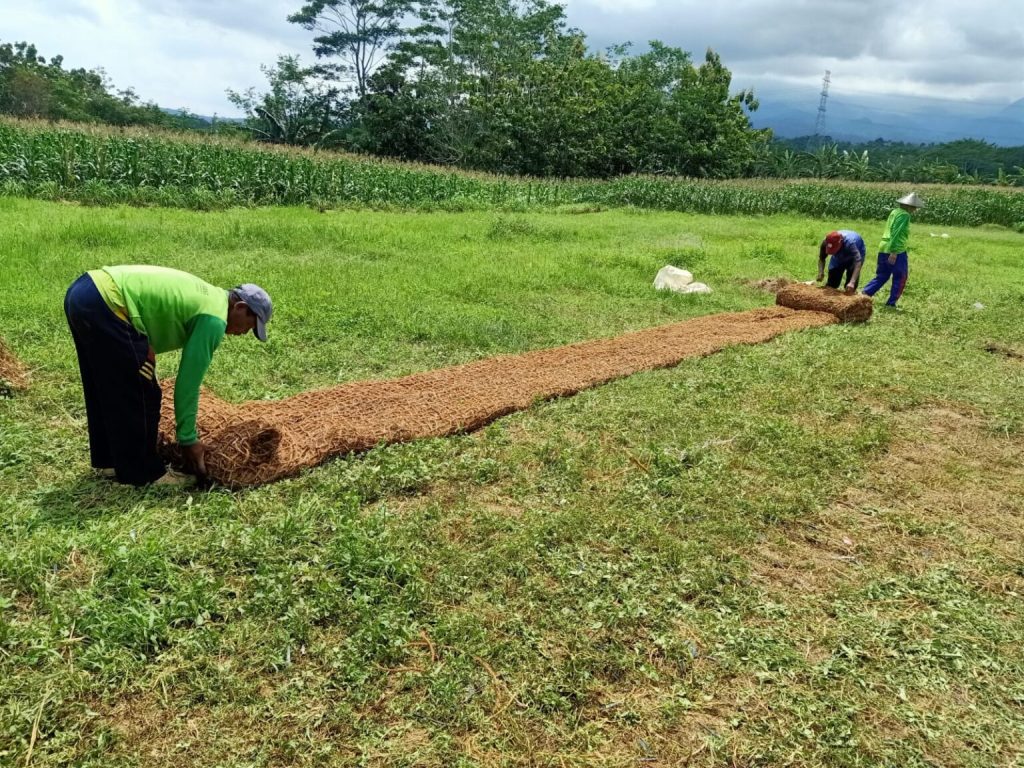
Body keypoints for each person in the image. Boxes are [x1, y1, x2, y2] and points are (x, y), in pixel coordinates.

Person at [63, 265, 273, 486]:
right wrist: (188, 440)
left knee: (107, 382)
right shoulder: (214, 319)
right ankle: (145, 473)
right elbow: (188, 383)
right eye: (250, 325)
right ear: (240, 307)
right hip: (108, 303)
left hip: (85, 291)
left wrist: (143, 347)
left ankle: (110, 460)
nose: (244, 333)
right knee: (144, 393)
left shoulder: (211, 296)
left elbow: (153, 310)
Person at [862, 192, 924, 308]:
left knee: (882, 275)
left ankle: (865, 293)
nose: (915, 209)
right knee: (900, 277)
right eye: (915, 207)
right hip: (897, 250)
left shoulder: (894, 212)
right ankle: (891, 303)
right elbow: (897, 232)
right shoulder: (905, 215)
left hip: (884, 247)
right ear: (909, 206)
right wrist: (894, 252)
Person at [816, 229, 866, 294]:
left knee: (850, 286)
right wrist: (821, 272)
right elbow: (822, 258)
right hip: (838, 257)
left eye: (834, 249)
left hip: (854, 257)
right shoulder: (825, 242)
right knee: (832, 282)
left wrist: (852, 282)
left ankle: (851, 290)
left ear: (841, 242)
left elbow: (858, 261)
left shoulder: (851, 243)